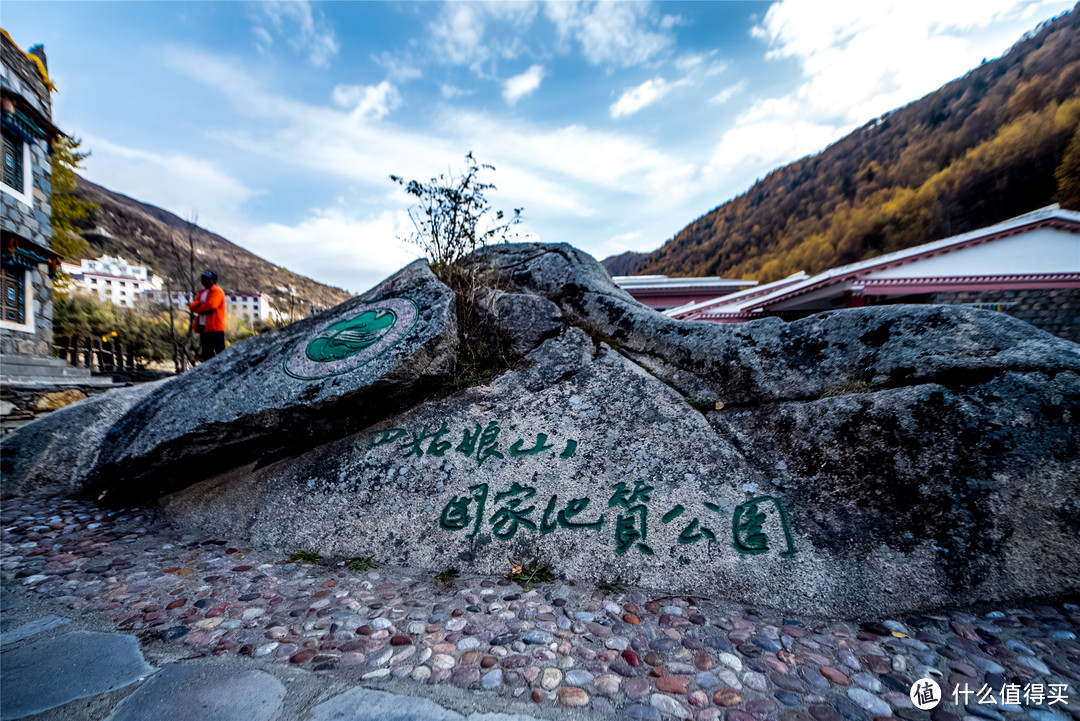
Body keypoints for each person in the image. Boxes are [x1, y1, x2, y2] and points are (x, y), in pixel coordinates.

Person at [188, 269, 226, 361]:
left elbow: (212, 305)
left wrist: (199, 307)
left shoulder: (218, 291)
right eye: (202, 278)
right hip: (203, 328)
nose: (203, 280)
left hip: (215, 328)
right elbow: (191, 306)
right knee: (206, 355)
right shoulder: (201, 293)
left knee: (220, 354)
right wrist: (200, 306)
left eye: (206, 278)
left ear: (213, 280)